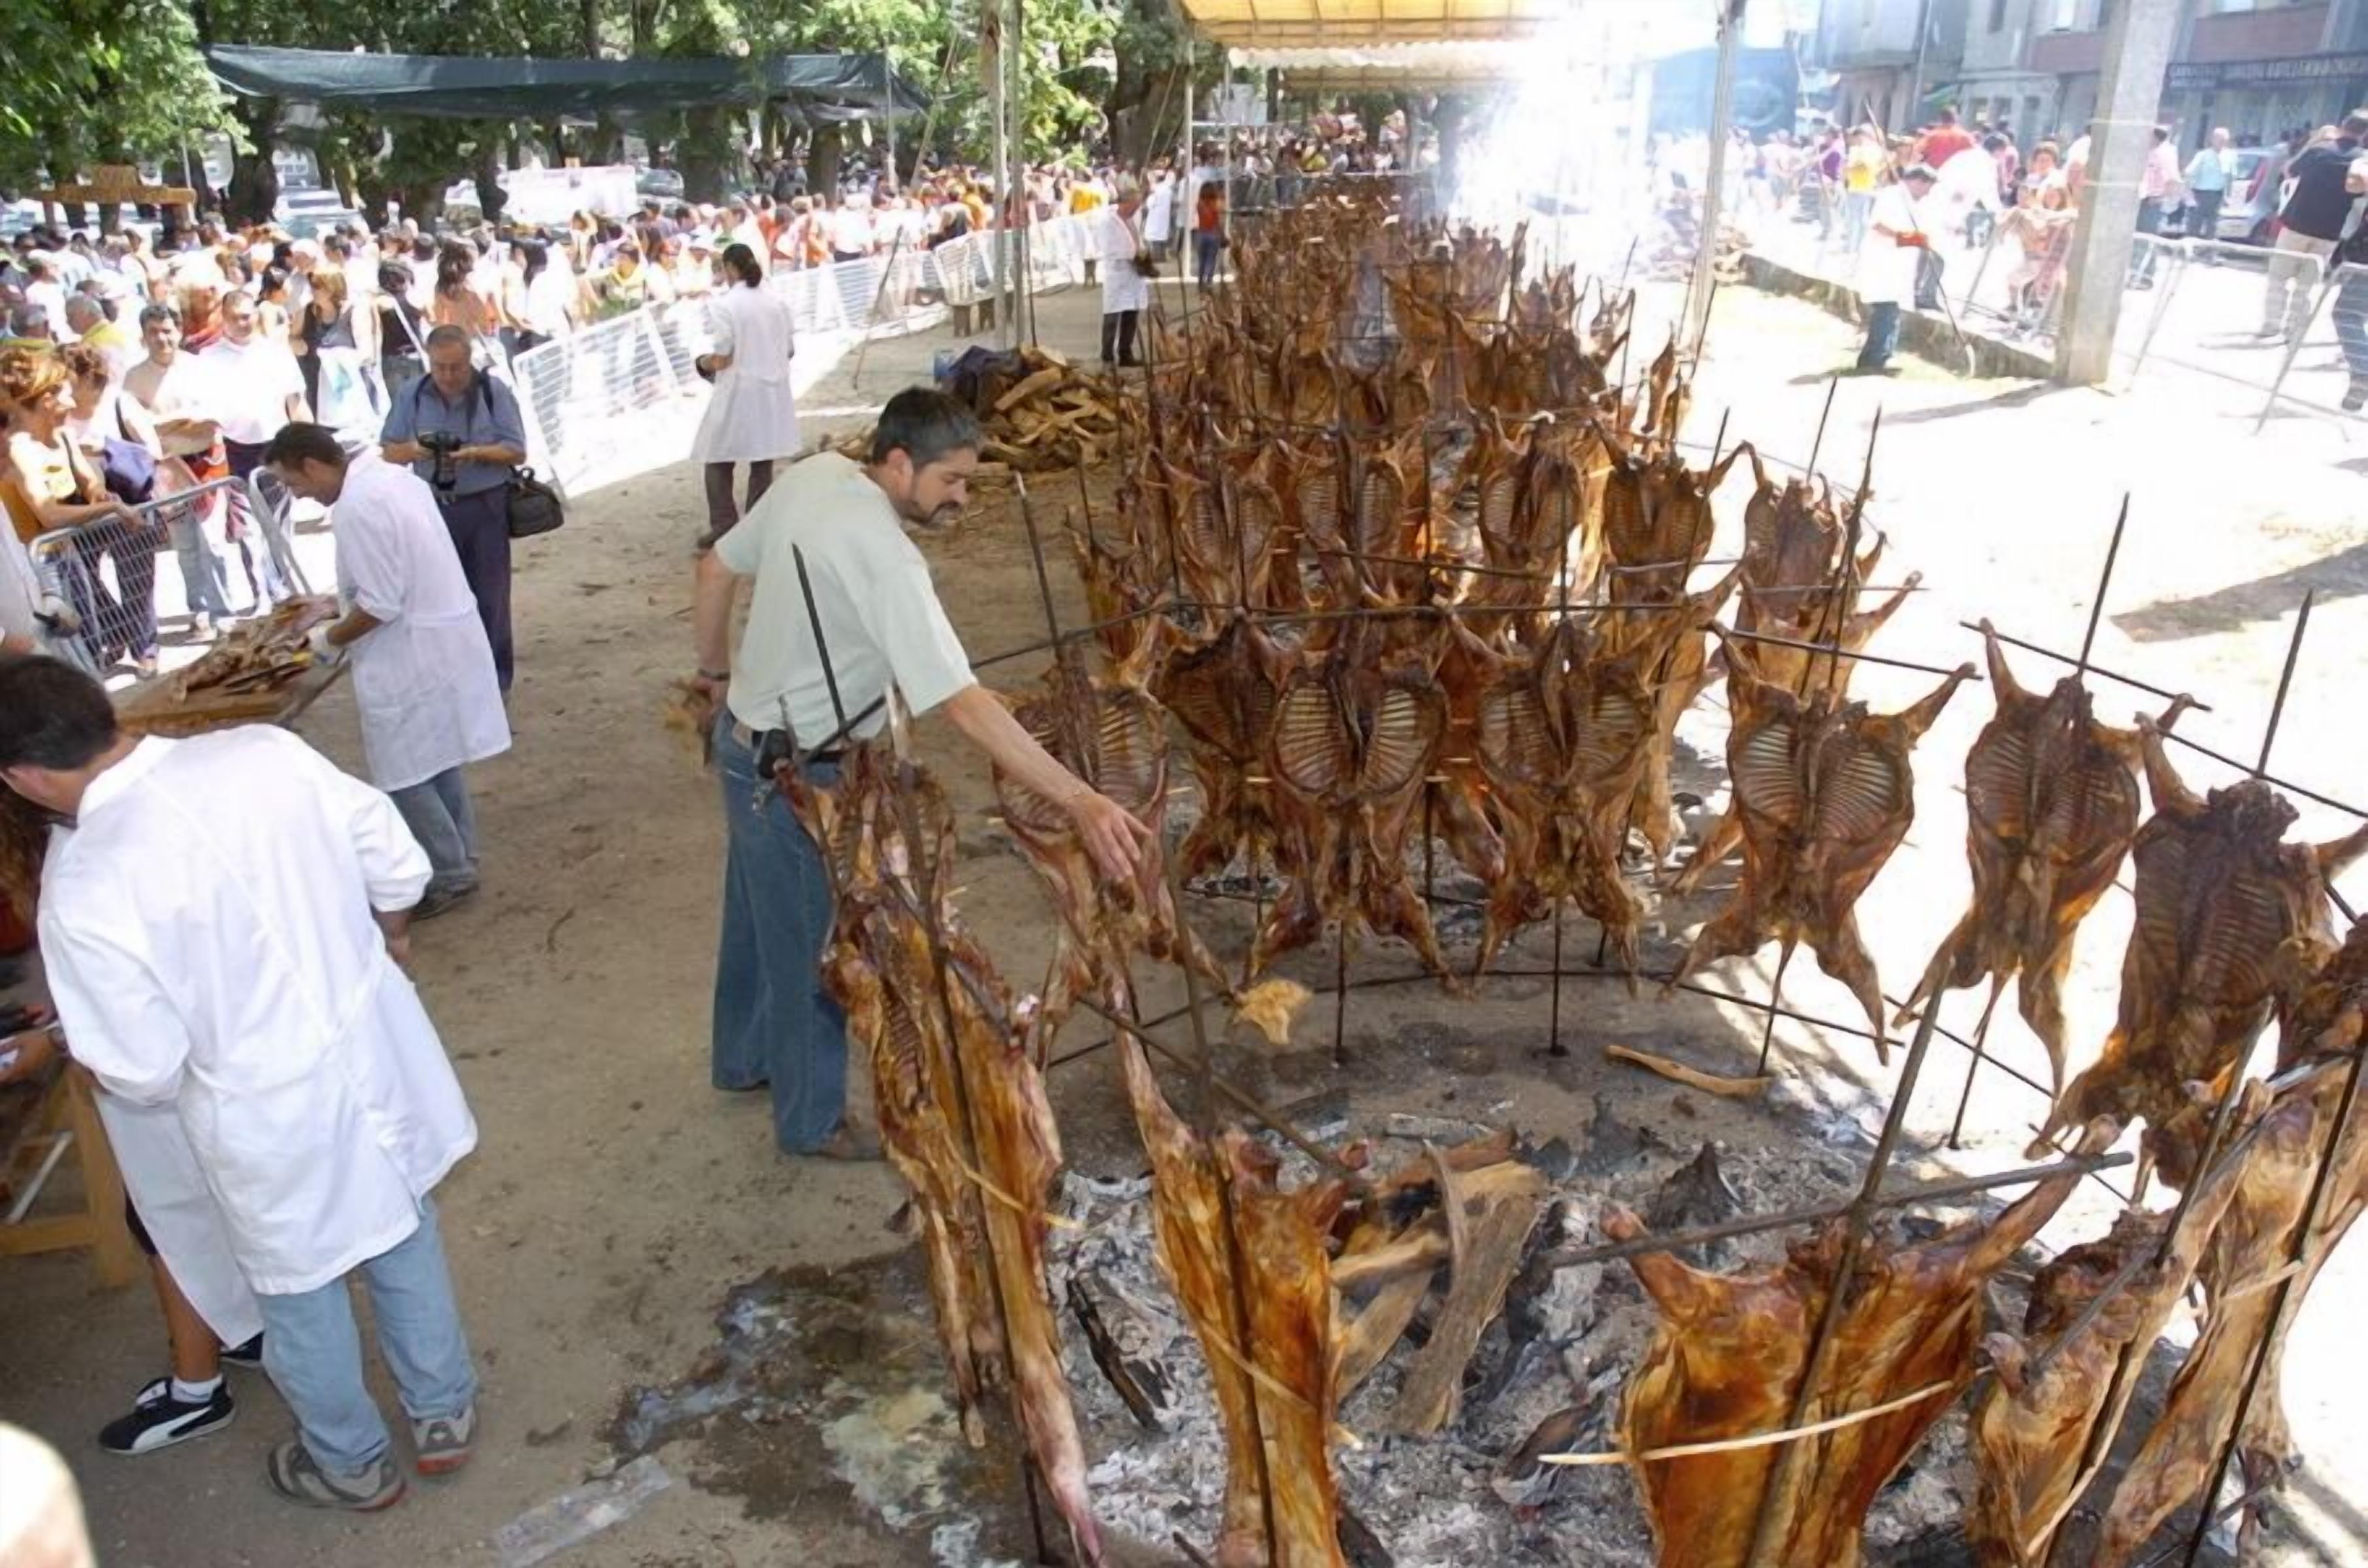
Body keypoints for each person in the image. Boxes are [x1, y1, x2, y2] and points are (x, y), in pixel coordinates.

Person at [0, 655, 482, 1511]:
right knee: (402, 1225)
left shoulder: (86, 884)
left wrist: (81, 1042)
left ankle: (350, 1462)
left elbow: (143, 1069)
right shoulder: (263, 752)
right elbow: (396, 867)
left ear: (24, 777)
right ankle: (443, 1411)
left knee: (300, 1288)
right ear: (99, 711)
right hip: (371, 1056)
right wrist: (392, 935)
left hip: (263, 1114)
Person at [684, 390, 1152, 1158]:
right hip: (798, 774)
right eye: (951, 481)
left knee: (754, 915)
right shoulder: (888, 560)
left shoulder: (813, 476)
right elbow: (962, 703)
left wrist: (712, 674)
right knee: (814, 948)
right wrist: (1080, 800)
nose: (963, 498)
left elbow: (714, 568)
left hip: (745, 748)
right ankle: (812, 1122)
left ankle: (742, 1060)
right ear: (899, 464)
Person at [266, 423, 510, 913]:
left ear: (312, 466)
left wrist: (327, 641)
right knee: (436, 756)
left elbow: (380, 603)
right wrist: (336, 606)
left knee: (404, 772)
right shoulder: (393, 478)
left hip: (409, 651)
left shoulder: (358, 505)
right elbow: (392, 575)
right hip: (436, 636)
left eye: (294, 483)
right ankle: (460, 854)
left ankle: (449, 870)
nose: (299, 494)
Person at [380, 326, 527, 692]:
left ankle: (496, 682)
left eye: (456, 367)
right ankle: (454, 678)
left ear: (469, 359)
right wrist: (416, 450)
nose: (447, 375)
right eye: (439, 367)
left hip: (486, 506)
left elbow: (517, 450)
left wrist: (474, 453)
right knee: (440, 596)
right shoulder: (412, 394)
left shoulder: (493, 391)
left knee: (491, 596)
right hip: (432, 508)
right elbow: (389, 451)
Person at [122, 304, 237, 634]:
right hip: (168, 470)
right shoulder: (134, 378)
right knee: (185, 545)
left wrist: (166, 424)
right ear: (144, 336)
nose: (162, 338)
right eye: (154, 332)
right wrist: (180, 421)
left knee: (213, 543)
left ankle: (223, 613)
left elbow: (212, 417)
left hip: (207, 462)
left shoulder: (200, 368)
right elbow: (137, 425)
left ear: (179, 331)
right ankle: (198, 609)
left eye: (167, 330)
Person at [199, 289, 310, 607]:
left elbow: (296, 403)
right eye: (234, 318)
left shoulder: (275, 352)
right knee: (247, 528)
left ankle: (283, 587)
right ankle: (261, 592)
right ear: (223, 318)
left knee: (279, 522)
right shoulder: (208, 359)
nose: (242, 323)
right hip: (234, 450)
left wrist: (307, 443)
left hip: (276, 445)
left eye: (247, 316)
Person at [59, 346, 165, 674]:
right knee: (83, 577)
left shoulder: (119, 402)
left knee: (136, 578)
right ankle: (116, 630)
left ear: (88, 378)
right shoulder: (59, 413)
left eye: (68, 378)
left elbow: (154, 452)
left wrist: (106, 448)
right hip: (81, 504)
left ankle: (145, 649)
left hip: (128, 499)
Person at [692, 243, 799, 551]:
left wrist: (702, 363)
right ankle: (756, 527)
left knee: (717, 458)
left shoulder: (726, 305)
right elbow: (789, 350)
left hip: (738, 391)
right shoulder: (777, 301)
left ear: (729, 268)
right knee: (762, 460)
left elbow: (723, 356)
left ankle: (724, 525)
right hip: (772, 391)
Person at [2262, 111, 2367, 342]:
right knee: (2307, 285)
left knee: (2278, 278)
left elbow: (2289, 171)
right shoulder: (2363, 161)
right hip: (2330, 232)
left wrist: (2314, 141)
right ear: (2364, 134)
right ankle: (2293, 330)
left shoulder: (2319, 151)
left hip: (2297, 224)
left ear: (2342, 126)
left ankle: (2272, 326)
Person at [1855, 165, 1936, 374]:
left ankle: (1876, 357)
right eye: (1927, 188)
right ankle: (1876, 359)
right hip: (1882, 262)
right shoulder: (1891, 196)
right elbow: (1878, 225)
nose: (1927, 193)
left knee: (1890, 311)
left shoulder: (1913, 202)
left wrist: (1920, 240)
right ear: (1918, 181)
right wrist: (1908, 238)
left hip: (1897, 266)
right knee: (1887, 311)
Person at [1098, 180, 1153, 368]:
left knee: (1131, 315)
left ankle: (1125, 353)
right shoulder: (1108, 222)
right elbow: (1109, 248)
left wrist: (1144, 257)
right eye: (1134, 205)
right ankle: (1107, 356)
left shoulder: (1134, 218)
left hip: (1133, 276)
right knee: (1112, 316)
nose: (1136, 209)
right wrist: (1132, 256)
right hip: (1117, 273)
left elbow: (1138, 240)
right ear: (1125, 203)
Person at [2130, 126, 2183, 287]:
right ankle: (2142, 275)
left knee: (2146, 240)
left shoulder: (2165, 154)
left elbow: (2173, 180)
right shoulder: (2148, 152)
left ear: (2156, 137)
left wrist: (2161, 198)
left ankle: (2142, 276)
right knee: (2141, 239)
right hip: (2142, 198)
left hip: (2153, 201)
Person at [2184, 127, 2239, 246]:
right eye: (2219, 139)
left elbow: (2230, 177)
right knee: (2194, 225)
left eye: (2224, 140)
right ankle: (2190, 250)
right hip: (2201, 195)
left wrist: (2229, 196)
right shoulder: (2203, 155)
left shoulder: (2230, 155)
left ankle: (2209, 252)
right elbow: (2189, 173)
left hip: (2218, 195)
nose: (2221, 142)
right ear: (2213, 139)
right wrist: (2189, 194)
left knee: (2213, 227)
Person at [1192, 179, 1226, 294]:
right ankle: (1209, 282)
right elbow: (1219, 222)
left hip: (1201, 233)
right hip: (1213, 233)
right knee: (1211, 260)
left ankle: (1200, 282)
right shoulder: (1216, 204)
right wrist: (1222, 235)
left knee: (1201, 261)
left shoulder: (1199, 204)